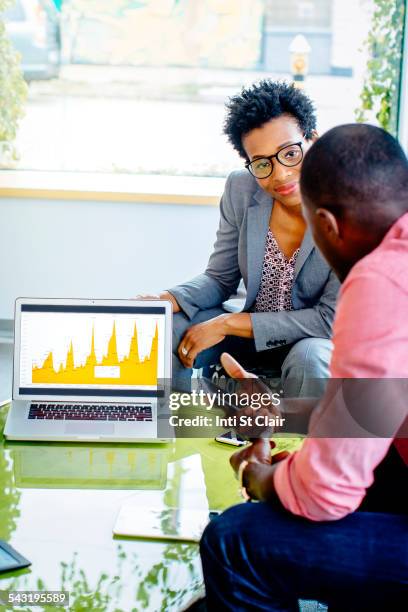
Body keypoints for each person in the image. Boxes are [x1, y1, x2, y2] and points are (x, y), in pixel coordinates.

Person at [199, 124, 408, 610]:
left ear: (328, 226)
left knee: (235, 540)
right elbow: (377, 409)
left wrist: (261, 477)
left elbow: (325, 495)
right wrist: (289, 421)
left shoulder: (380, 278)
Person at [139, 81, 339, 394]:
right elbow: (221, 278)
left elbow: (328, 321)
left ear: (312, 140)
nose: (280, 174)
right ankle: (176, 431)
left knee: (310, 356)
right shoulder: (241, 188)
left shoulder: (347, 205)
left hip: (309, 342)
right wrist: (172, 298)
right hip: (246, 334)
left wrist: (226, 324)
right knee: (172, 328)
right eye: (262, 163)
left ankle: (299, 443)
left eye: (290, 153)